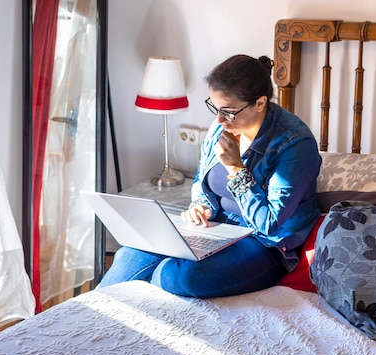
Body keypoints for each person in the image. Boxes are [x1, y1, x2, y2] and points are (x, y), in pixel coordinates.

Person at [98, 54, 322, 298]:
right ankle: (89, 314)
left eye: (228, 111)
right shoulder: (222, 126)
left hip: (264, 244)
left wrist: (236, 168)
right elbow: (201, 183)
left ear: (260, 103)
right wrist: (200, 206)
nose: (218, 120)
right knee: (131, 253)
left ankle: (154, 278)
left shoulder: (295, 144)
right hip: (215, 227)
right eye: (215, 108)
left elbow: (268, 224)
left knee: (184, 277)